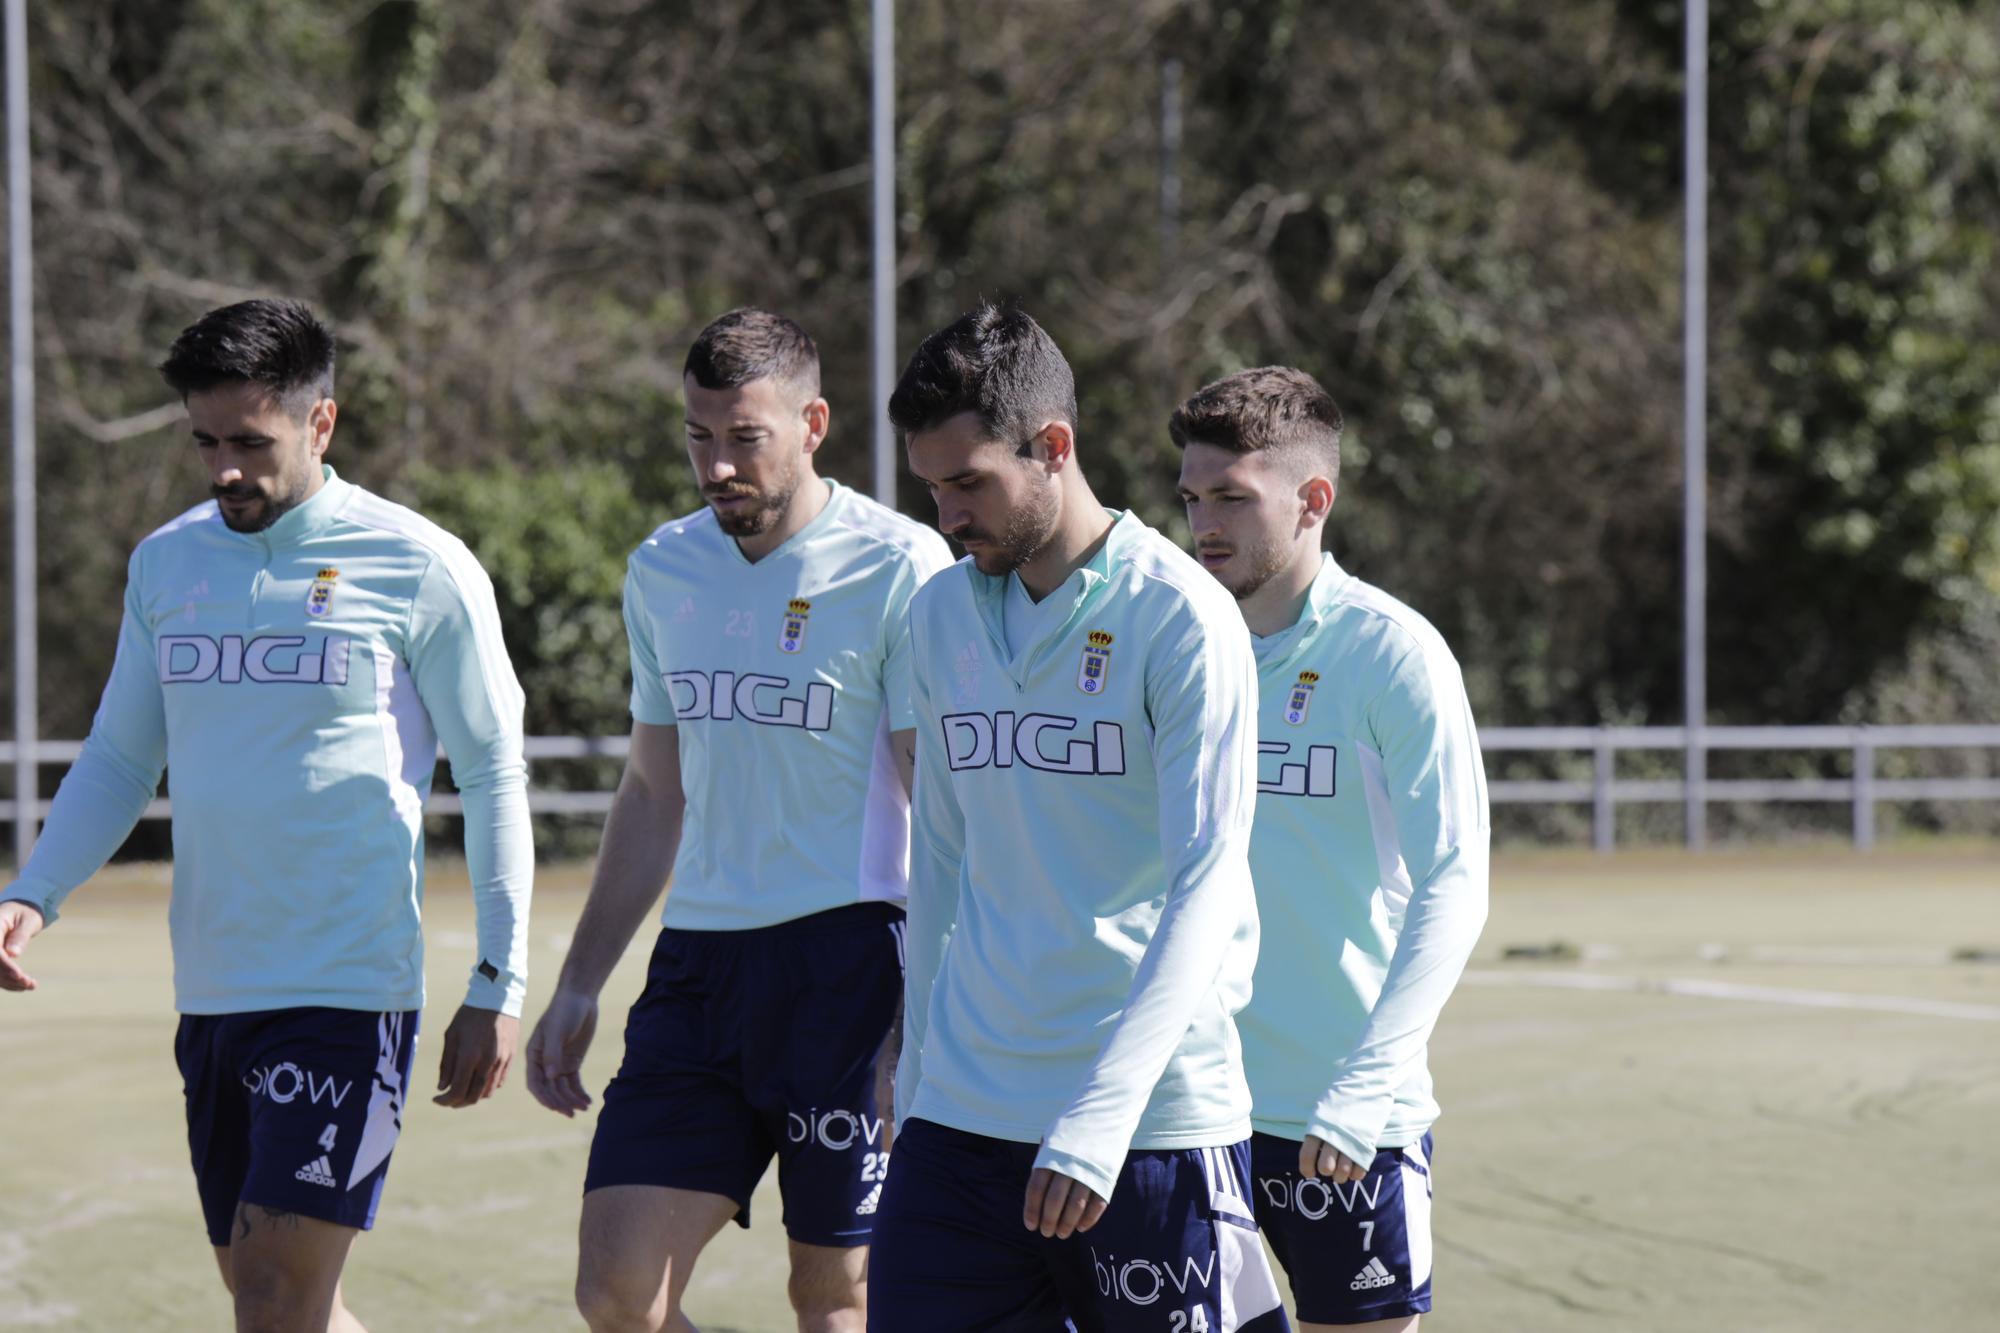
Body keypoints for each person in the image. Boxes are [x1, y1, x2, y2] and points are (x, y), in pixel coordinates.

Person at [0, 298, 533, 1333]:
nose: (224, 469)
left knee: (276, 1299)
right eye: (205, 441)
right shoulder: (167, 563)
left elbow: (494, 771)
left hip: (346, 983)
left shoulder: (418, 564)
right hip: (212, 987)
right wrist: (34, 891)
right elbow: (120, 754)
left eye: (251, 441)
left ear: (320, 423)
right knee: (273, 1293)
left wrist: (497, 983)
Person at [523, 307, 952, 1333]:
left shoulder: (899, 565)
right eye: (698, 437)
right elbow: (650, 791)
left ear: (813, 422)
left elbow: (939, 807)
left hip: (850, 963)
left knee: (834, 1292)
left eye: (743, 437)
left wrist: (926, 1009)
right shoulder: (662, 569)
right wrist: (581, 979)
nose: (716, 466)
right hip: (698, 971)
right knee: (617, 1291)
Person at [869, 303, 1289, 1332]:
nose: (946, 515)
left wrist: (1099, 1121)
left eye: (969, 482)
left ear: (1052, 447)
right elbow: (946, 866)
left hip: (1146, 1129)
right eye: (930, 486)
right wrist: (918, 1073)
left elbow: (1206, 886)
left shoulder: (1177, 618)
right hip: (960, 1127)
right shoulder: (936, 613)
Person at [1172, 367, 1489, 1331]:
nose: (1204, 523)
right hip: (1187, 1103)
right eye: (1191, 498)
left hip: (1339, 1121)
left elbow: (1456, 883)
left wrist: (1366, 1085)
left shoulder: (1392, 653)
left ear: (1314, 500)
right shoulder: (1174, 641)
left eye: (1232, 497)